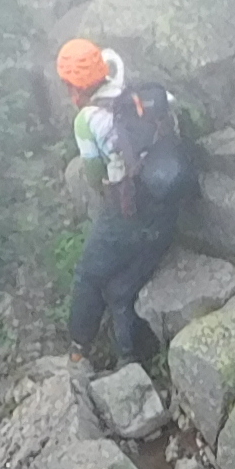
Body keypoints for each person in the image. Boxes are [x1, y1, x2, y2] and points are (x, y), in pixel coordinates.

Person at [56, 37, 192, 369]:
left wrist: (107, 185)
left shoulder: (86, 119)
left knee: (89, 276)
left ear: (75, 88)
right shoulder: (140, 96)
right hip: (166, 212)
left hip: (128, 214)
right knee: (120, 289)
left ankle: (79, 350)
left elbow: (93, 173)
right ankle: (130, 357)